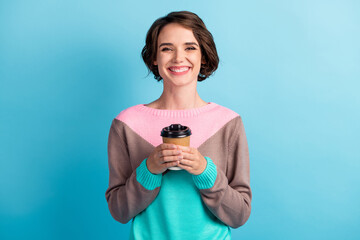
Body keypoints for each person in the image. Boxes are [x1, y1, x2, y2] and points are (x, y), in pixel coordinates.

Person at [105, 11, 251, 240]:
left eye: (190, 47)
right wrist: (149, 169)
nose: (178, 58)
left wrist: (205, 171)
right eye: (166, 48)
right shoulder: (126, 124)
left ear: (204, 55)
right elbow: (119, 211)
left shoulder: (228, 123)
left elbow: (239, 215)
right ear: (154, 57)